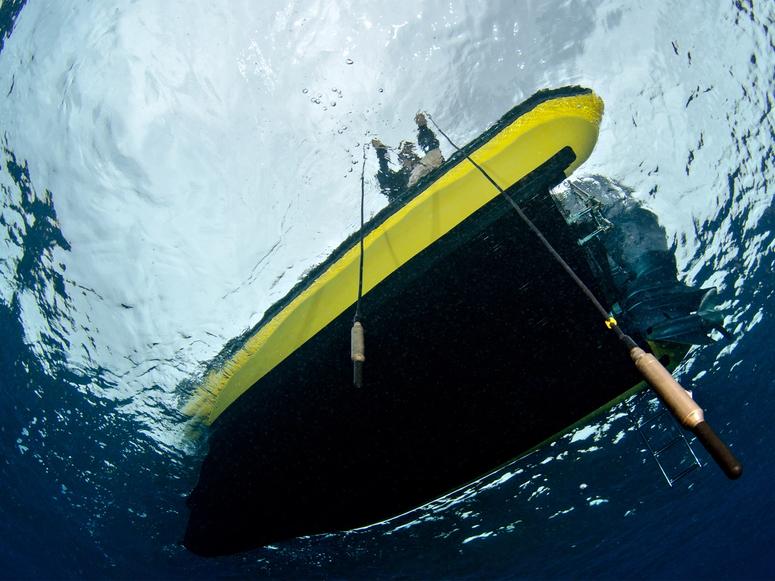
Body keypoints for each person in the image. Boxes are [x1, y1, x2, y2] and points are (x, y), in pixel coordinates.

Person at [371, 113, 445, 203]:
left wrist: (423, 128)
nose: (409, 156)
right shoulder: (400, 179)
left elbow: (433, 147)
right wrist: (381, 152)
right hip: (417, 203)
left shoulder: (429, 161)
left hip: (442, 187)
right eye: (404, 155)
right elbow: (385, 181)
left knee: (432, 157)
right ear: (401, 161)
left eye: (410, 152)